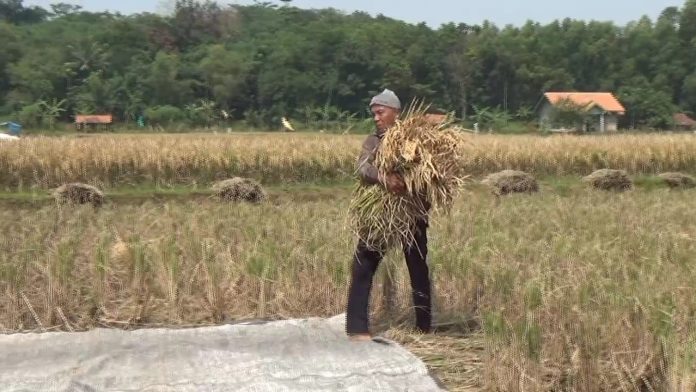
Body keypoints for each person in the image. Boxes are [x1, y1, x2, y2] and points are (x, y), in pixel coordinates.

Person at [345, 89, 432, 341]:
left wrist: (408, 181)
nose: (376, 118)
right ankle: (357, 327)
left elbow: (430, 172)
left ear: (395, 112)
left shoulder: (415, 140)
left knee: (417, 267)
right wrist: (384, 178)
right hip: (381, 215)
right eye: (374, 113)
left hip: (412, 213)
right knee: (363, 265)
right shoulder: (374, 140)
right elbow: (362, 167)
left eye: (380, 112)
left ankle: (424, 328)